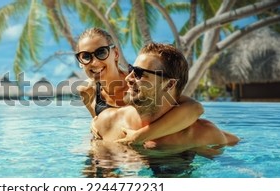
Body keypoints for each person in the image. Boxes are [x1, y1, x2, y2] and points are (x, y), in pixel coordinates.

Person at [90, 42, 240, 149]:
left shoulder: (201, 135)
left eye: (139, 73)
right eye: (131, 69)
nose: (128, 78)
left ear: (169, 84)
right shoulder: (107, 123)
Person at [76, 27, 203, 145]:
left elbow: (194, 108)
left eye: (101, 52)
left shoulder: (138, 82)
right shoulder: (87, 91)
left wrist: (140, 136)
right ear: (80, 62)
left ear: (115, 54)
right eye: (85, 56)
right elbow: (104, 128)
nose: (94, 62)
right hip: (120, 152)